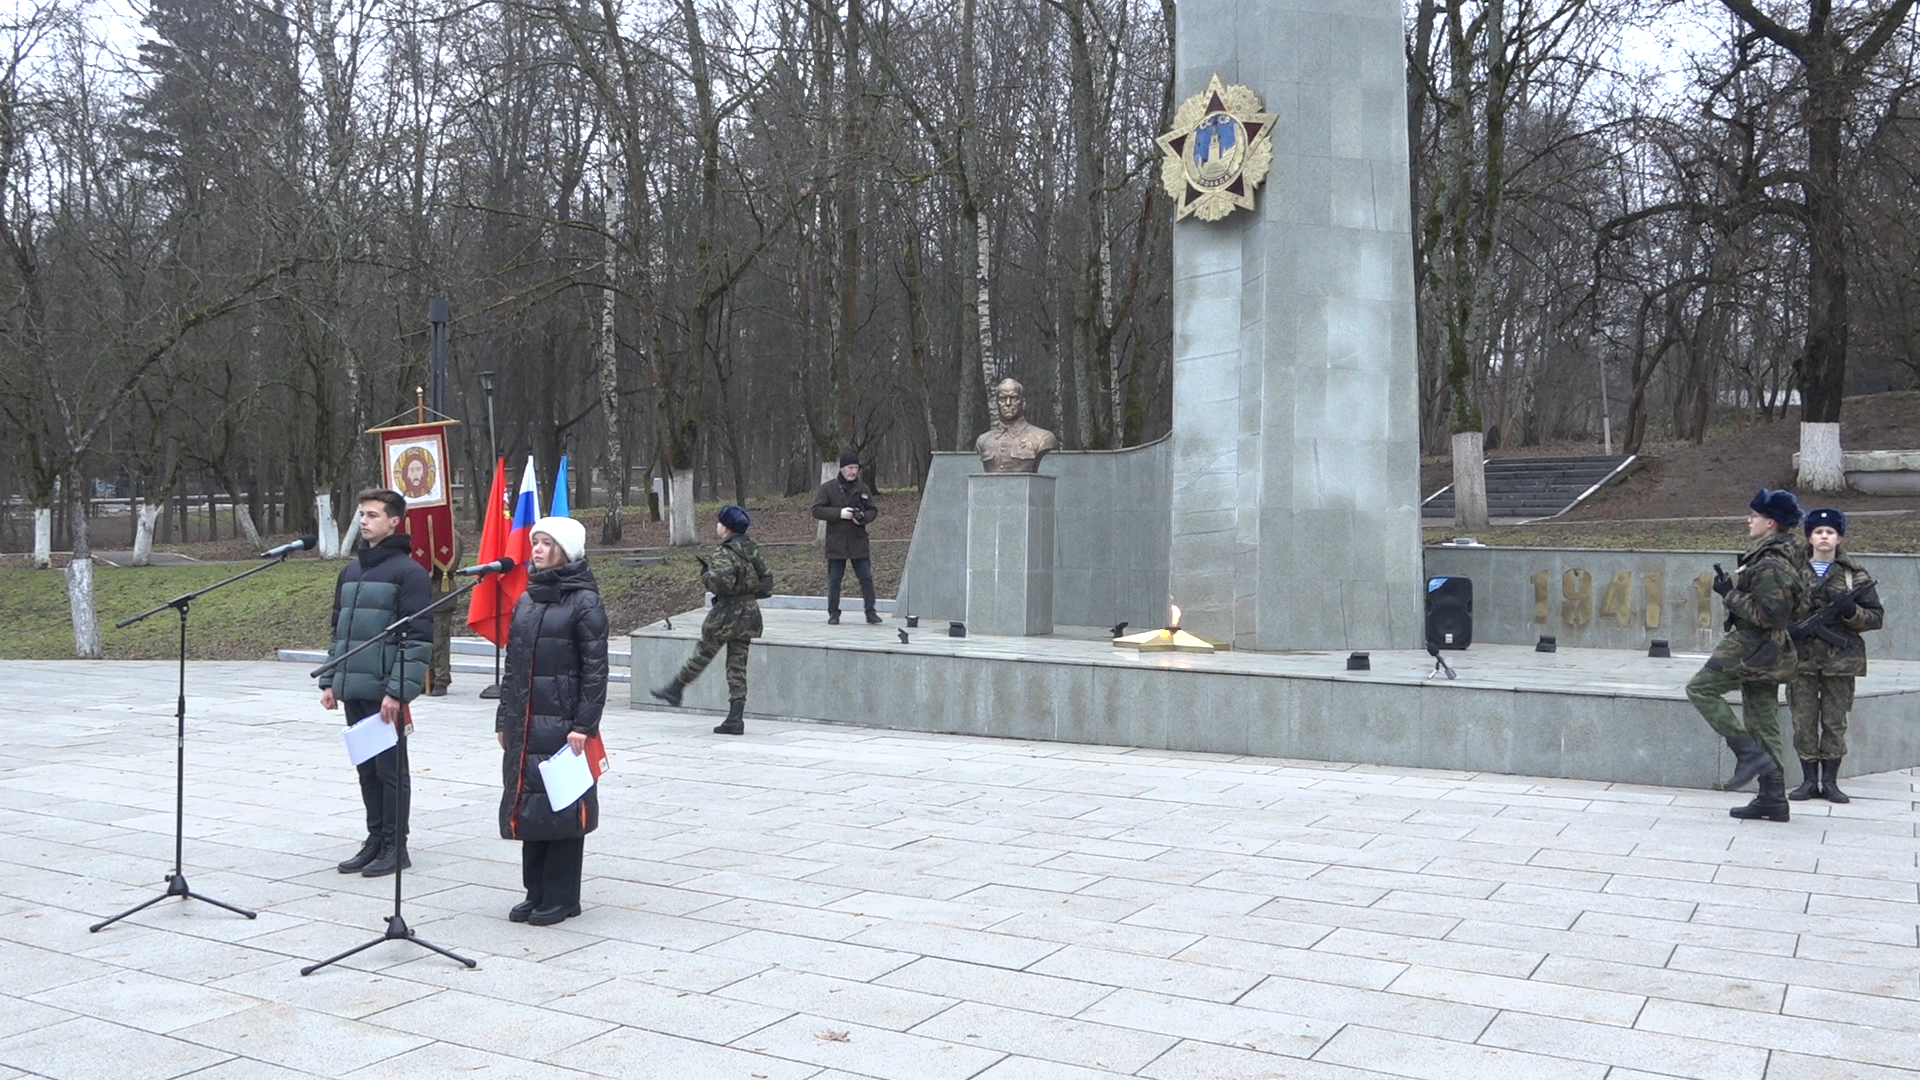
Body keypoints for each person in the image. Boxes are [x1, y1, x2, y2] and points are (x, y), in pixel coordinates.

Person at [495, 516, 607, 925]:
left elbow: (596, 671)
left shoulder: (585, 602)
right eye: (534, 542)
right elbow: (513, 667)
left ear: (566, 550)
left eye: (545, 543)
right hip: (525, 724)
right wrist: (504, 717)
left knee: (562, 807)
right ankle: (535, 890)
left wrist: (584, 724)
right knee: (530, 808)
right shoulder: (526, 600)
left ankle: (562, 896)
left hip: (564, 726)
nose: (536, 549)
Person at [318, 489, 433, 876]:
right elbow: (340, 633)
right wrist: (332, 680)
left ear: (394, 522)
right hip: (355, 687)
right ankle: (375, 839)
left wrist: (398, 692)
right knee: (367, 769)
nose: (364, 521)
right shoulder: (350, 572)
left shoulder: (410, 573)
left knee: (390, 770)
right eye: (362, 515)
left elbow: (417, 638)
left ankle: (395, 845)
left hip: (385, 690)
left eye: (372, 515)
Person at [1686, 488, 1807, 823]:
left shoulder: (1771, 563)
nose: (1748, 520)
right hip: (1768, 650)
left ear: (1771, 523)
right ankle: (1772, 796)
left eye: (1754, 516)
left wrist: (1730, 595)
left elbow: (1772, 615)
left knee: (1700, 688)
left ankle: (1747, 754)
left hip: (1753, 644)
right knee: (1762, 718)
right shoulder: (1776, 555)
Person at [1787, 508, 1884, 804]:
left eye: (1830, 532)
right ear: (1809, 537)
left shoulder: (1855, 576)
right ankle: (1807, 781)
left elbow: (1876, 617)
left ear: (1839, 537)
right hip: (1801, 660)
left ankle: (1829, 782)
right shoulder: (1791, 570)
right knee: (1803, 721)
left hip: (1840, 660)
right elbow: (1775, 607)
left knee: (1834, 722)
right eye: (1818, 532)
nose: (1824, 536)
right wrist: (1788, 627)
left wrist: (1850, 612)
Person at [649, 505, 773, 735]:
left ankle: (675, 688)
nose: (717, 526)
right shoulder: (752, 549)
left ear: (726, 528)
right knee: (737, 666)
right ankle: (736, 717)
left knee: (703, 653)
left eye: (719, 522)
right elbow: (766, 585)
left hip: (727, 615)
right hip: (750, 615)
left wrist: (706, 575)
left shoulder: (724, 552)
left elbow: (720, 584)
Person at [812, 452, 880, 624]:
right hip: (836, 541)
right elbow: (817, 510)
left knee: (866, 578)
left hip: (858, 540)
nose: (853, 471)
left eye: (856, 468)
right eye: (850, 468)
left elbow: (873, 510)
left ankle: (870, 612)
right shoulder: (828, 488)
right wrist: (839, 513)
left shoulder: (863, 488)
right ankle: (833, 613)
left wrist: (863, 517)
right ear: (842, 468)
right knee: (835, 580)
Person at [974, 378, 1061, 473]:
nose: (1008, 403)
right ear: (997, 404)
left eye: (1013, 398)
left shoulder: (1042, 438)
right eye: (1003, 399)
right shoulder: (983, 441)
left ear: (1023, 403)